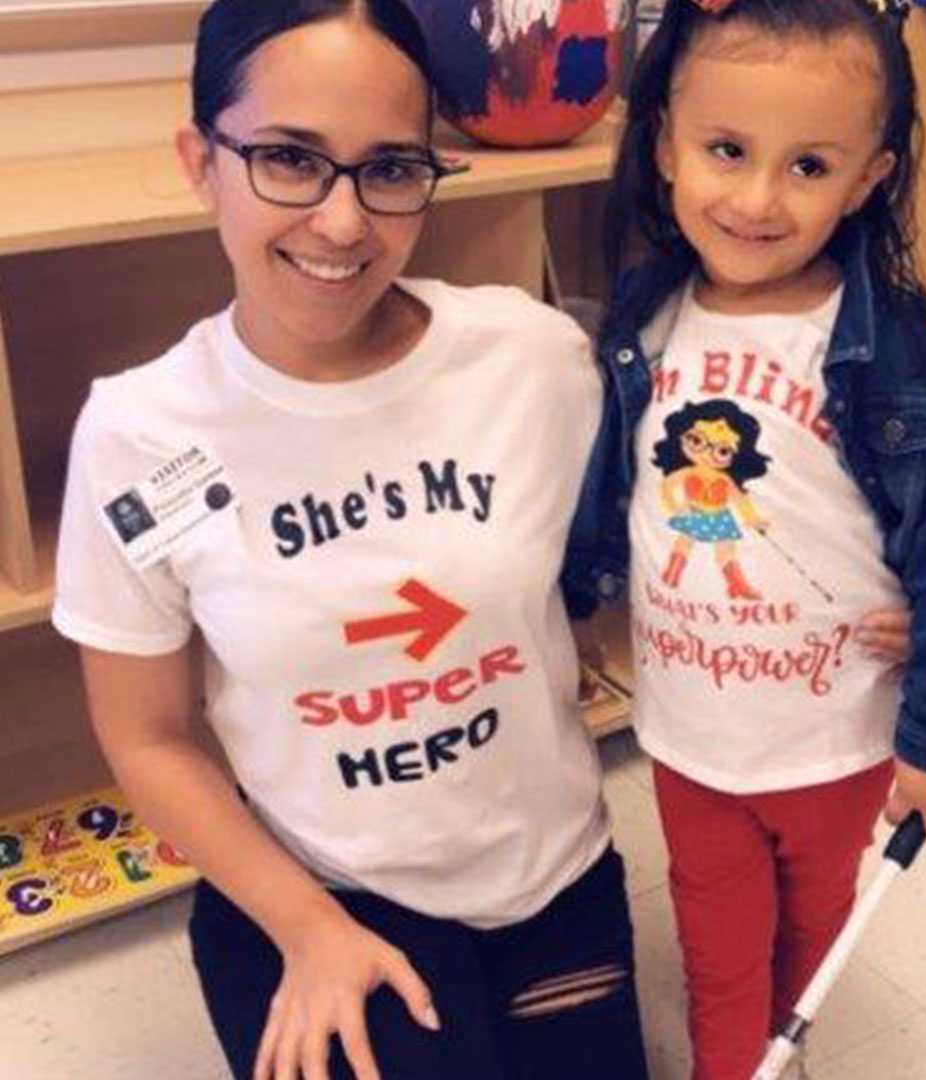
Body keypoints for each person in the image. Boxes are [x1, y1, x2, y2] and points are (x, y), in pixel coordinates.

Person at [50, 2, 653, 1079]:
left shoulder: (532, 358)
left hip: (551, 878)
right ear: (201, 160)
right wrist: (307, 928)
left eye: (389, 170)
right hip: (311, 889)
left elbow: (638, 557)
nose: (342, 223)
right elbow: (147, 736)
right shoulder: (142, 435)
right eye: (288, 159)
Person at [562, 0, 926, 1077]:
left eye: (809, 166)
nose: (758, 200)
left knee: (815, 922)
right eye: (726, 150)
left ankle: (785, 1042)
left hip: (838, 740)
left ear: (869, 177)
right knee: (716, 941)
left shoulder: (924, 360)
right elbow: (610, 481)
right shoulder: (643, 315)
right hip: (688, 732)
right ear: (667, 142)